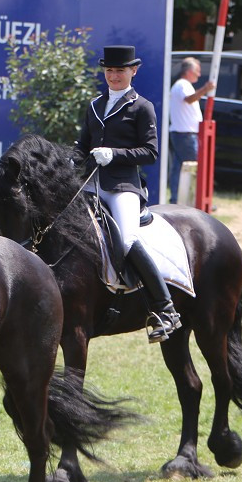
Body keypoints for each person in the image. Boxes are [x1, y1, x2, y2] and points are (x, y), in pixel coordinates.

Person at [72, 45, 180, 343]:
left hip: (122, 186)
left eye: (120, 71)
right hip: (91, 183)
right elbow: (83, 145)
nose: (114, 76)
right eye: (109, 70)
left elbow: (151, 152)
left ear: (133, 71)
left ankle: (165, 307)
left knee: (128, 238)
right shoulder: (95, 105)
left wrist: (115, 154)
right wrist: (72, 158)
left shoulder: (141, 106)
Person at [168, 57, 215, 204]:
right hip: (185, 134)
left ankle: (176, 198)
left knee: (179, 167)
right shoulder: (183, 84)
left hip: (182, 132)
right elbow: (189, 99)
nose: (199, 75)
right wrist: (205, 89)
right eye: (197, 71)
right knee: (194, 167)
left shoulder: (181, 84)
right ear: (189, 71)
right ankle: (192, 199)